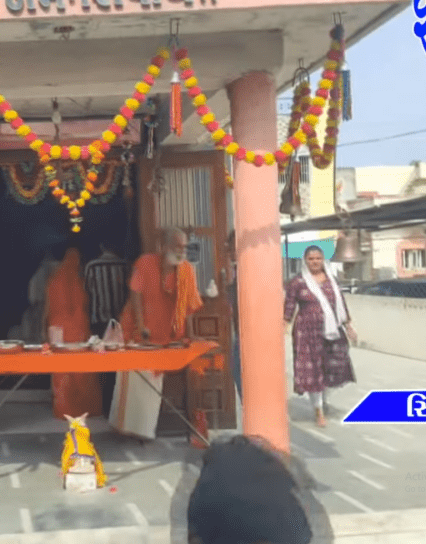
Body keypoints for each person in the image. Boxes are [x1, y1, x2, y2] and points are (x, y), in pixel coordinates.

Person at [111, 227, 204, 439]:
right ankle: (124, 429)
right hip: (138, 331)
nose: (181, 251)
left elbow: (189, 305)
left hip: (167, 335)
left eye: (184, 247)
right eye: (177, 246)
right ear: (164, 247)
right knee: (134, 380)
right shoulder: (145, 263)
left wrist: (190, 335)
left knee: (151, 386)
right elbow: (135, 293)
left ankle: (143, 431)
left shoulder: (187, 270)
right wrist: (142, 326)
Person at [182, 434, 332, 544]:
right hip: (288, 534)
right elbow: (317, 521)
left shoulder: (207, 477)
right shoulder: (279, 468)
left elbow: (192, 527)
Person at [284, 246, 357, 427]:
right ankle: (318, 410)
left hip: (332, 331)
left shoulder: (331, 280)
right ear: (305, 261)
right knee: (313, 370)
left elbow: (340, 303)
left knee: (330, 368)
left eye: (317, 258)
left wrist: (348, 326)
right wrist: (283, 324)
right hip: (307, 332)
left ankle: (323, 401)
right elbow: (289, 306)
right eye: (310, 259)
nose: (314, 262)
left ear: (322, 259)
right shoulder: (298, 282)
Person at [45, 247, 102, 419]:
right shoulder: (78, 282)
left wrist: (44, 328)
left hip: (58, 330)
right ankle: (83, 408)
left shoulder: (54, 281)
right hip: (77, 331)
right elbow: (84, 305)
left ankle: (64, 409)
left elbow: (48, 308)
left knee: (61, 370)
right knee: (81, 370)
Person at [84, 241, 129, 416]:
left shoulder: (91, 266)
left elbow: (87, 293)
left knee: (102, 363)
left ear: (102, 246)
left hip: (99, 321)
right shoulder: (124, 266)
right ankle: (119, 407)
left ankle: (105, 407)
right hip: (120, 323)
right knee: (119, 364)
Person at [225, 231, 242, 401]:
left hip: (252, 336)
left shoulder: (251, 271)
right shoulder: (236, 271)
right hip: (239, 334)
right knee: (238, 375)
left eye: (232, 247)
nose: (229, 252)